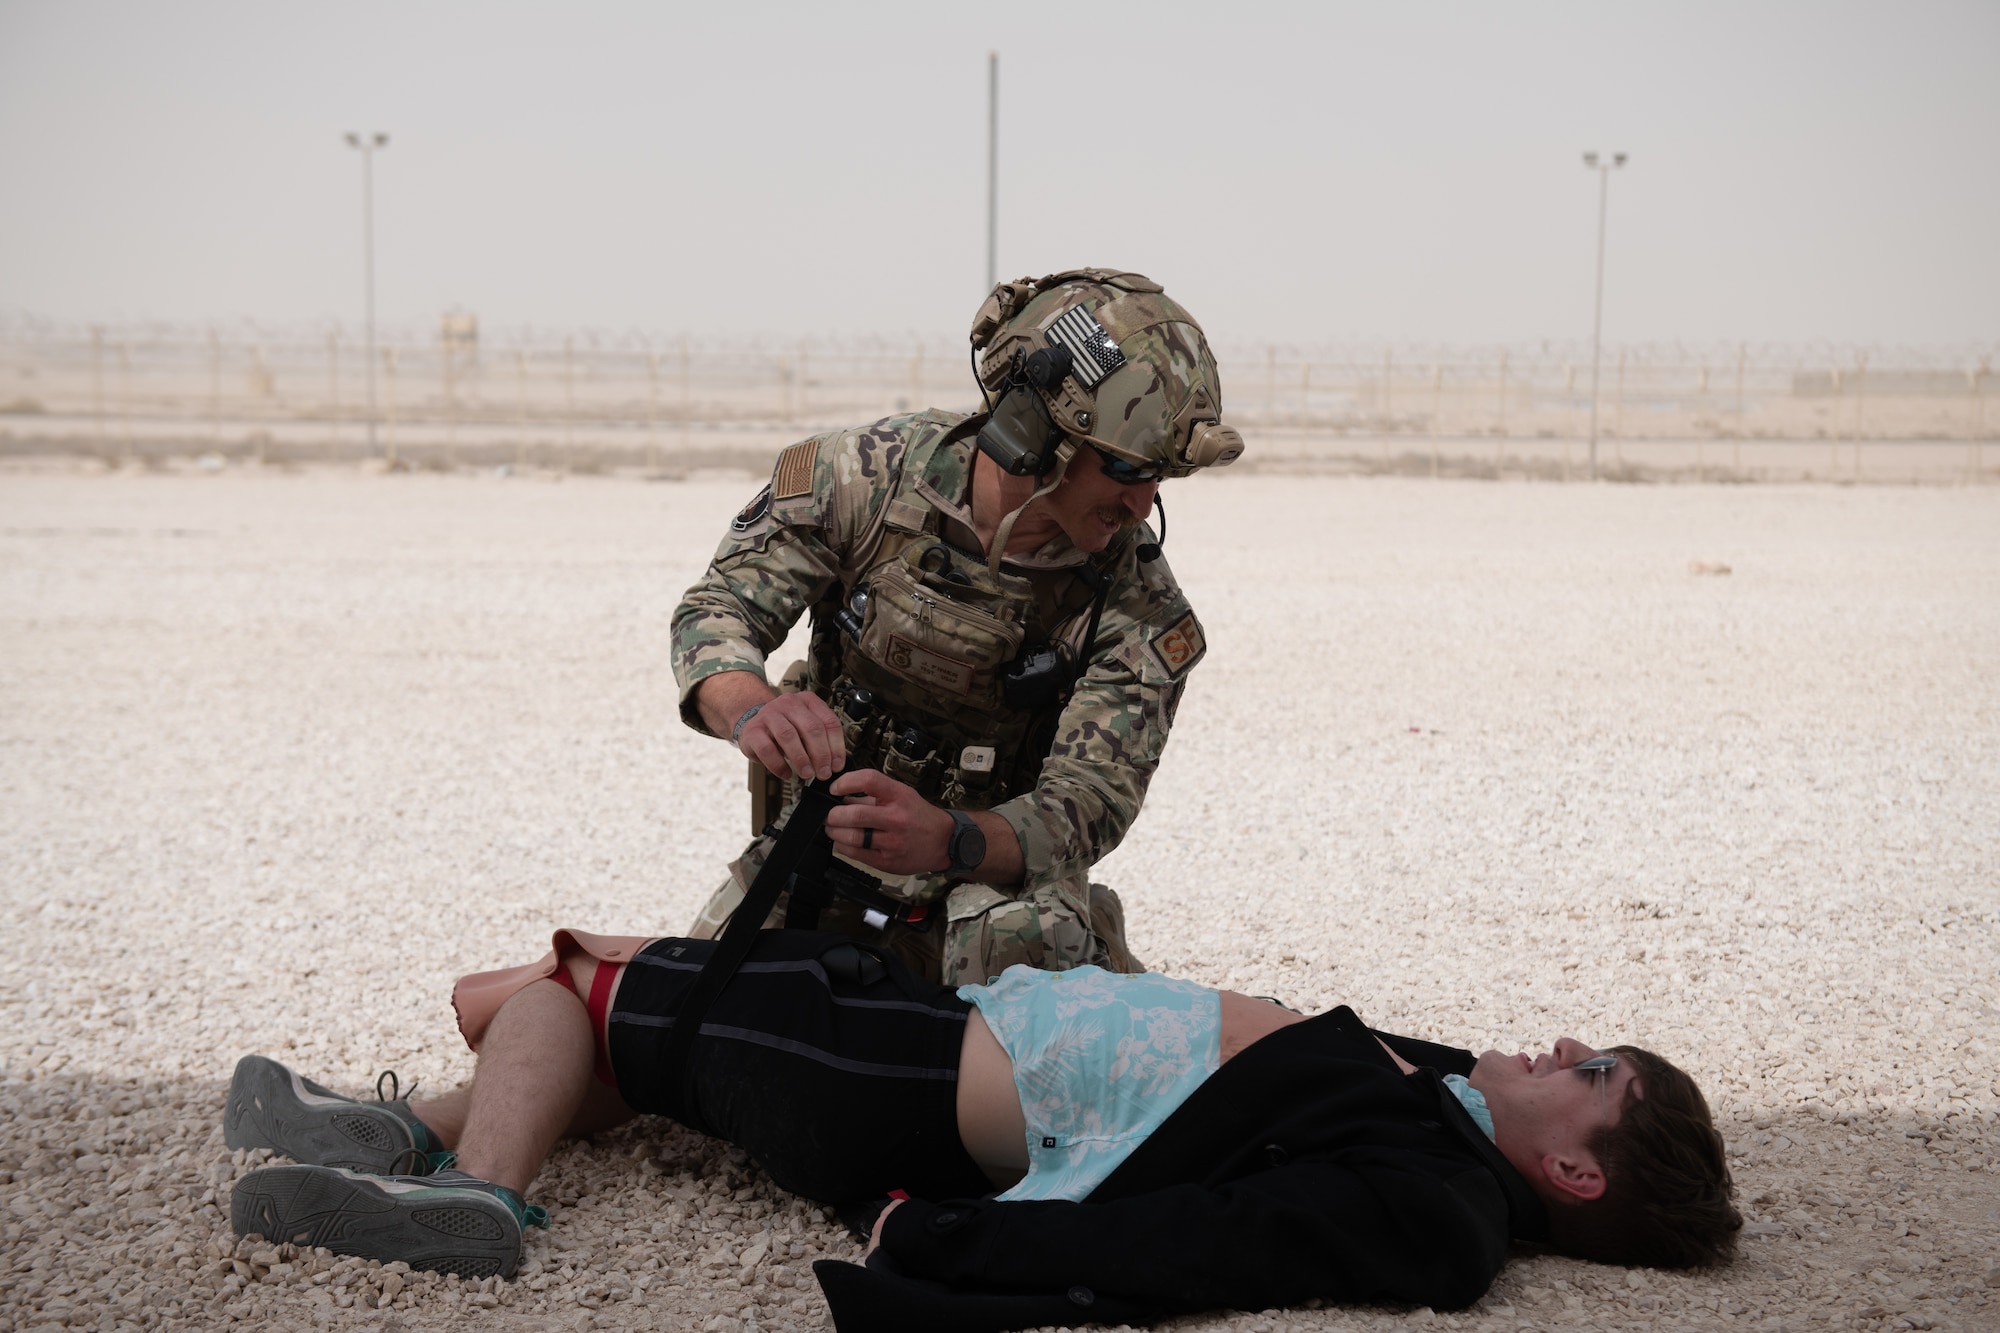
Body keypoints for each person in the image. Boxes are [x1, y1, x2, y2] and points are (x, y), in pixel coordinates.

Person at [226, 929, 1740, 1330]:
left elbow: (1210, 1244)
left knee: (558, 987)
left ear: (1578, 1166)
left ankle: (475, 1187)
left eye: (1593, 1069)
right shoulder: (1446, 1119)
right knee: (633, 1047)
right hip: (943, 1045)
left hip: (917, 1085)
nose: (1560, 1043)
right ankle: (396, 1137)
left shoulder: (1439, 1201)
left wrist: (955, 1243)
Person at [671, 268, 1245, 985]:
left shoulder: (1140, 611)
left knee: (1020, 966)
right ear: (1035, 431)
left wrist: (949, 837)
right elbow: (717, 609)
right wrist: (752, 706)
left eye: (1158, 477)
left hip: (990, 885)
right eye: (1126, 468)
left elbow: (1086, 805)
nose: (1140, 503)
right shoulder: (862, 480)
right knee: (692, 1013)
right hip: (822, 854)